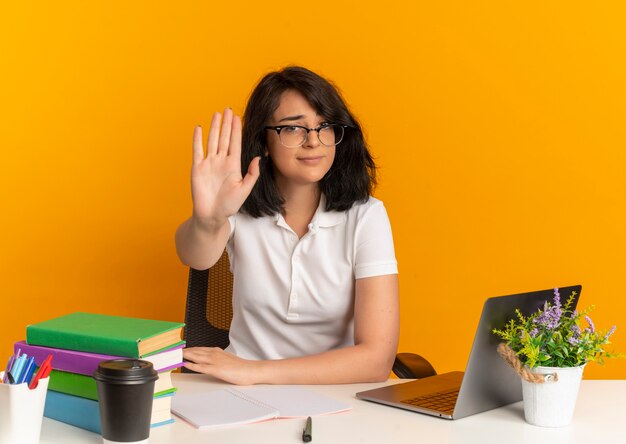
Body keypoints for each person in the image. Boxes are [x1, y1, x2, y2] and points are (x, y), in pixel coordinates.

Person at [175, 66, 399, 385]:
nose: (314, 142)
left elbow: (377, 360)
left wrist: (255, 372)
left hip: (332, 393)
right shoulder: (237, 205)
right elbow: (194, 255)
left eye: (324, 127)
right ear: (264, 141)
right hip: (237, 393)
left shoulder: (366, 215)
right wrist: (209, 220)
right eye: (293, 129)